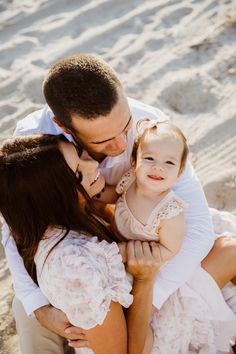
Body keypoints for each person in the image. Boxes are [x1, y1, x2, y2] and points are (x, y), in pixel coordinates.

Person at [2, 53, 236, 353]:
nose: (123, 146)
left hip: (140, 242)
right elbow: (17, 229)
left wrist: (146, 298)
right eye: (102, 142)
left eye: (124, 127)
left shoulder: (150, 124)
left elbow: (199, 228)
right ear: (64, 127)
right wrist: (40, 309)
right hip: (73, 254)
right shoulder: (34, 142)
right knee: (30, 311)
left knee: (226, 247)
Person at [0, 133, 161, 354]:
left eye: (79, 153)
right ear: (54, 198)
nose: (93, 164)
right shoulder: (77, 265)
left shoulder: (68, 217)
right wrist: (145, 280)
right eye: (78, 174)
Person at [111, 119, 236, 352]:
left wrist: (134, 252)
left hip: (159, 261)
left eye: (169, 163)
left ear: (179, 172)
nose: (158, 167)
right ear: (134, 161)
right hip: (131, 253)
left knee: (229, 247)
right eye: (149, 159)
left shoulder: (169, 212)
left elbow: (170, 250)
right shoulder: (129, 182)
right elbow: (113, 198)